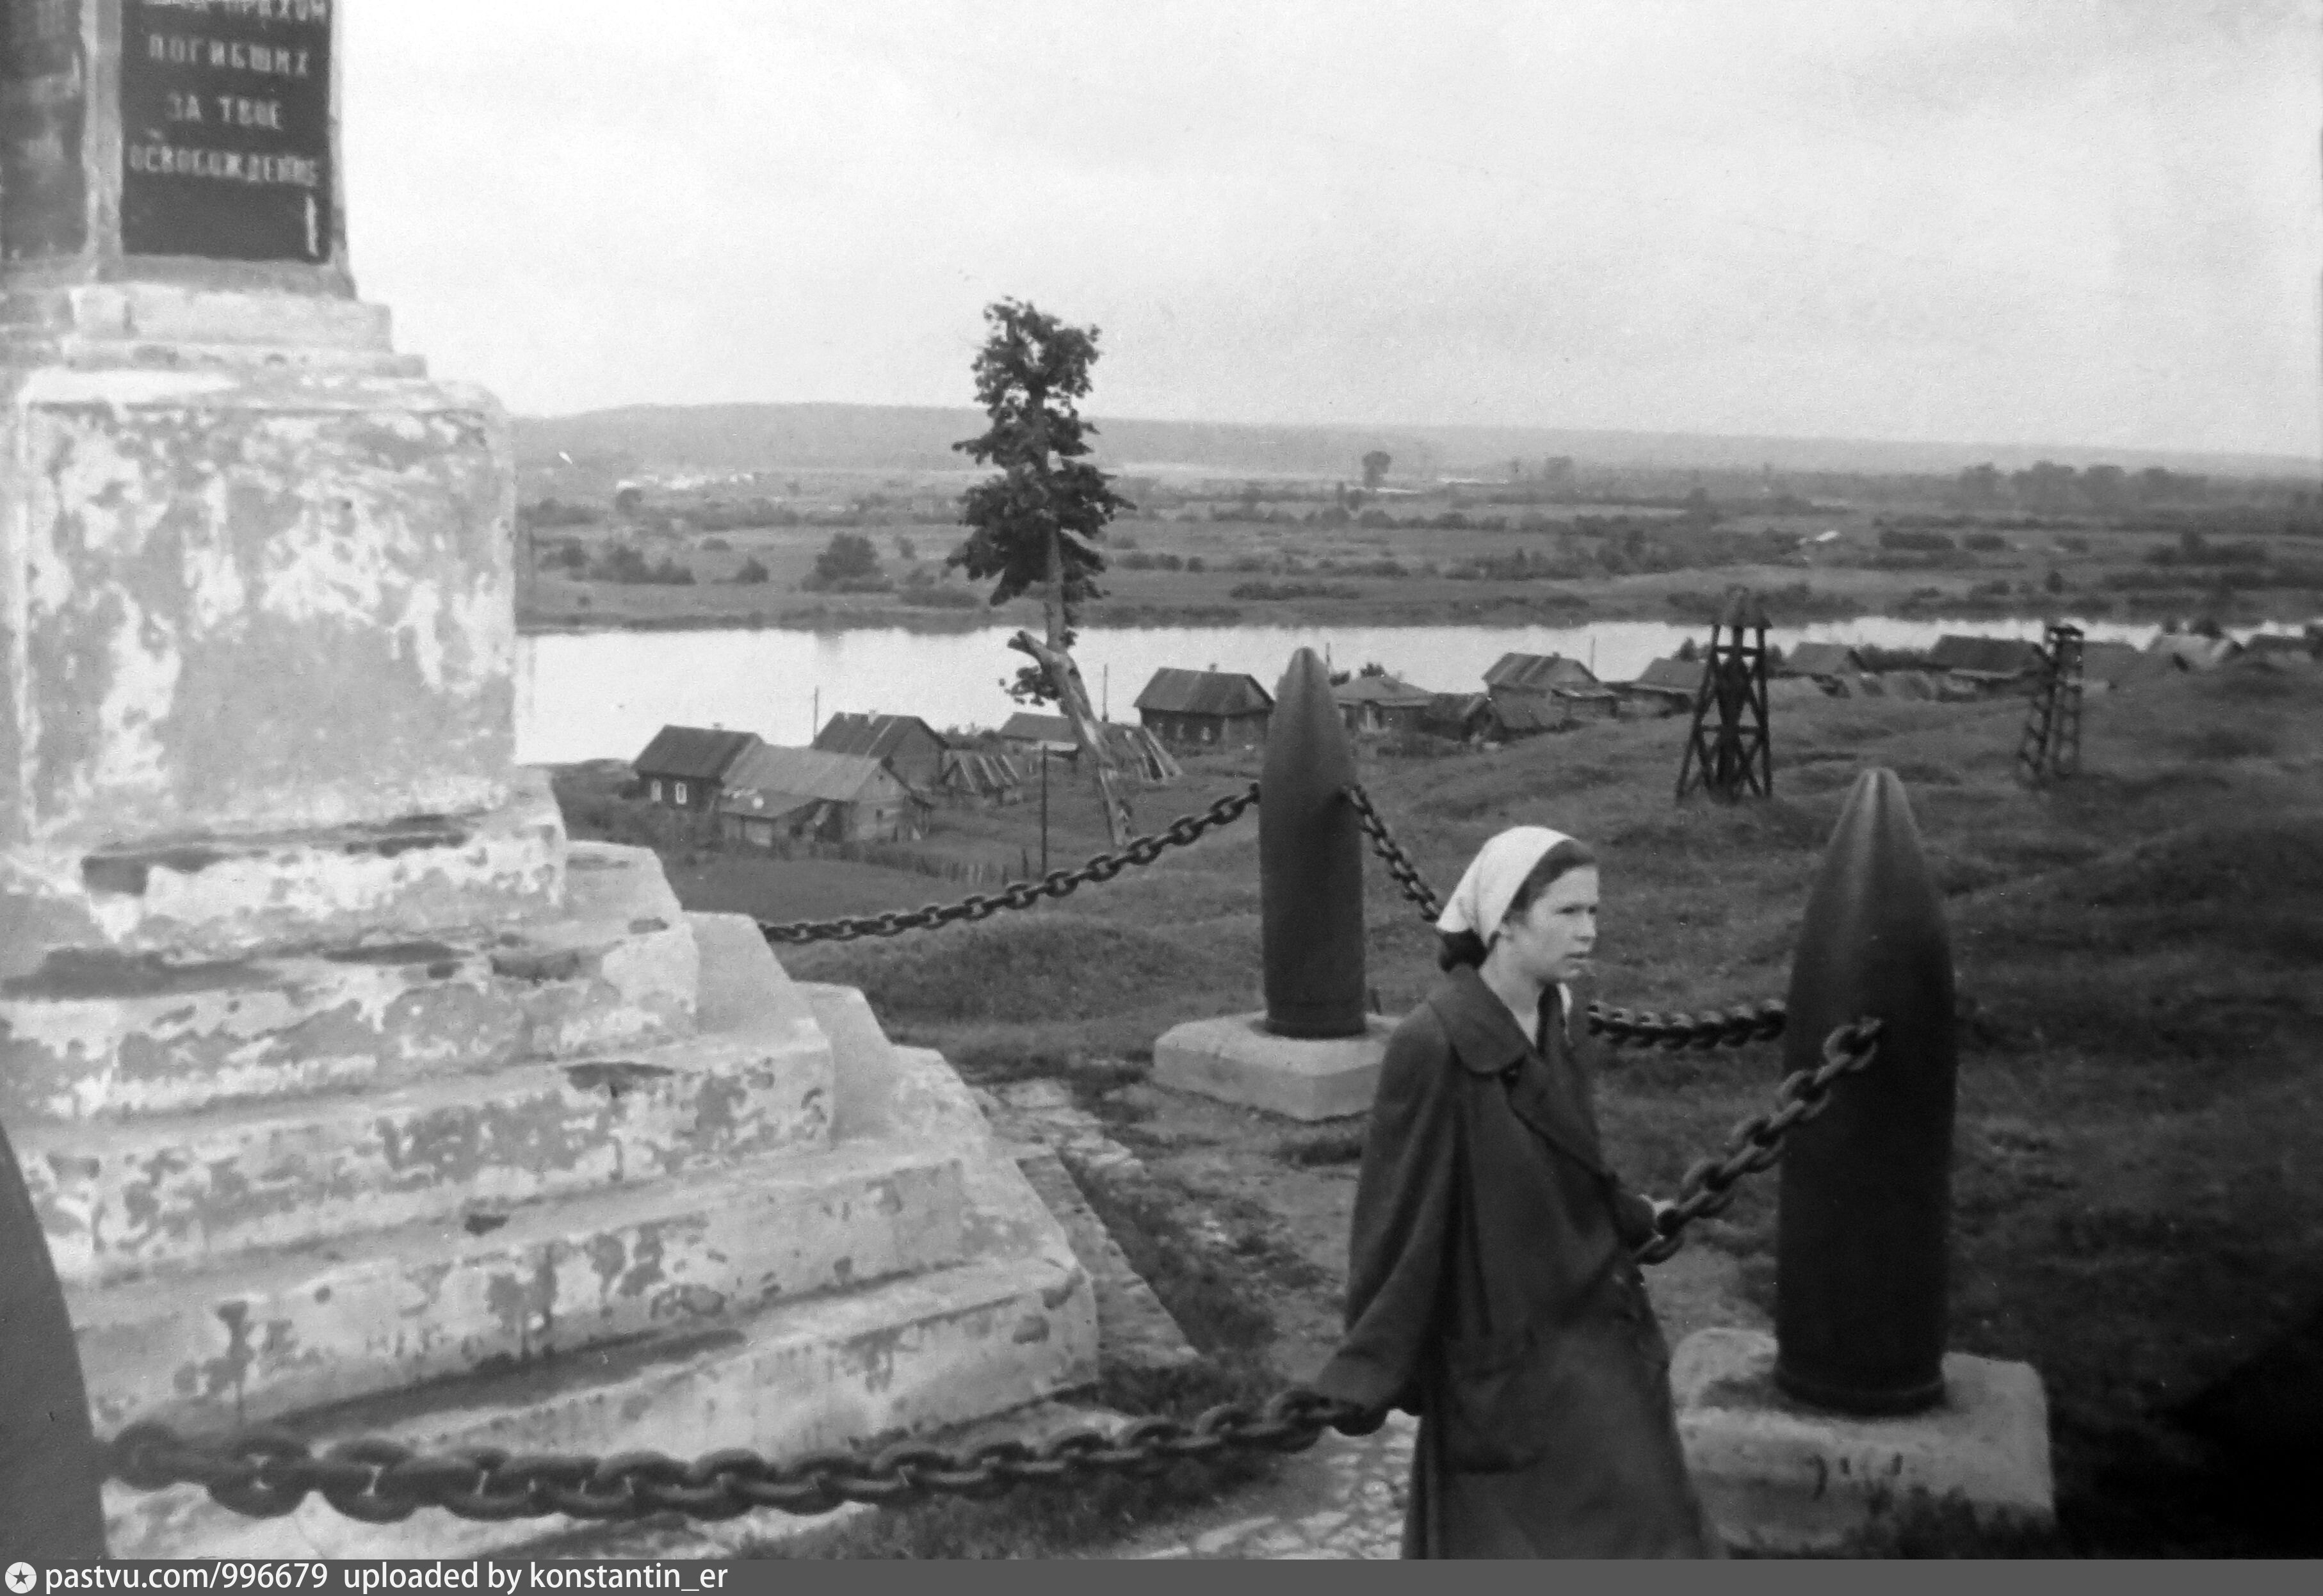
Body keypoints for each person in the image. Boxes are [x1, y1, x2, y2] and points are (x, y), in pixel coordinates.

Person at [1308, 825, 1722, 1558]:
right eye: (1567, 913)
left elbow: (1573, 1162)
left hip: (1596, 1328)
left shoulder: (1563, 1019)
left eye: (1593, 912)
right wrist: (1364, 1369)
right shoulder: (1432, 1044)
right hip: (1503, 1360)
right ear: (1505, 919)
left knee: (1648, 1529)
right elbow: (1397, 1226)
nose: (1588, 931)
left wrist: (1634, 1218)